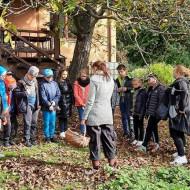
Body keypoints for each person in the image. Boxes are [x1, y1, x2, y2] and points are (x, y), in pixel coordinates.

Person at [81, 61, 116, 174]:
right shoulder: (110, 79)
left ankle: (95, 168)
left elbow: (90, 100)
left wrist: (84, 117)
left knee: (95, 142)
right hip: (107, 113)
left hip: (95, 114)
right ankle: (111, 165)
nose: (92, 70)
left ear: (96, 68)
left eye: (93, 68)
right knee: (108, 140)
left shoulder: (94, 79)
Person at [165, 65, 190, 164]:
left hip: (177, 111)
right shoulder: (181, 81)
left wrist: (181, 109)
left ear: (178, 73)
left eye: (174, 71)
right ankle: (181, 150)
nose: (173, 72)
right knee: (179, 131)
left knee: (174, 132)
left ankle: (181, 156)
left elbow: (184, 96)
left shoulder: (181, 82)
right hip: (176, 110)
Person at [136, 74, 165, 152]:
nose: (149, 82)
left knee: (148, 128)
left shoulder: (161, 89)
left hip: (155, 113)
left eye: (150, 80)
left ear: (155, 79)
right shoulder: (150, 88)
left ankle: (144, 145)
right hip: (149, 112)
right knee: (153, 128)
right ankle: (156, 143)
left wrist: (157, 113)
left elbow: (161, 102)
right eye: (148, 80)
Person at [14, 66, 40, 147]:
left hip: (35, 104)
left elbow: (37, 93)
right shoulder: (21, 82)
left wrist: (39, 104)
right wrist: (25, 93)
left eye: (34, 77)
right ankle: (27, 139)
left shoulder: (35, 81)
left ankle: (32, 138)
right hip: (27, 104)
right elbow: (16, 94)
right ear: (28, 74)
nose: (33, 78)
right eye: (31, 76)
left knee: (33, 122)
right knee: (27, 122)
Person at [39, 68, 61, 143]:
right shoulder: (42, 84)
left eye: (50, 77)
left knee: (53, 122)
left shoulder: (55, 83)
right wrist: (49, 105)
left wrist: (55, 101)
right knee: (47, 122)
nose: (49, 78)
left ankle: (52, 136)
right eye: (47, 77)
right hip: (46, 107)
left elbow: (58, 94)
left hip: (53, 106)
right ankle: (47, 136)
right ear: (44, 77)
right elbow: (43, 97)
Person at [116, 64, 133, 139]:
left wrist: (126, 89)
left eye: (121, 71)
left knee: (130, 116)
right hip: (121, 99)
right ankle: (125, 132)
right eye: (119, 72)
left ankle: (132, 132)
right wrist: (118, 89)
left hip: (129, 100)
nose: (120, 73)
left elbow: (134, 88)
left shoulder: (130, 78)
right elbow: (115, 87)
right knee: (123, 117)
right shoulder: (118, 79)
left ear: (125, 71)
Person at [57, 67, 74, 138]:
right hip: (61, 101)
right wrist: (57, 104)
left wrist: (72, 102)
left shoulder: (68, 82)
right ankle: (62, 131)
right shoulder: (57, 82)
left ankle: (65, 130)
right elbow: (57, 93)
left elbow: (71, 92)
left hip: (68, 102)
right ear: (60, 74)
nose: (64, 76)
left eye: (66, 74)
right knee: (61, 117)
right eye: (63, 74)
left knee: (66, 117)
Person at [3, 72, 17, 146]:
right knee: (7, 125)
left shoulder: (13, 84)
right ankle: (6, 140)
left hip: (13, 109)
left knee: (15, 125)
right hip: (6, 109)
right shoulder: (4, 88)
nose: (12, 88)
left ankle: (11, 138)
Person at [131, 78, 146, 146]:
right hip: (134, 111)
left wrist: (142, 114)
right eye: (133, 84)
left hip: (140, 112)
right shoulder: (134, 91)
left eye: (136, 84)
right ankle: (136, 138)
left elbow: (144, 104)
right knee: (135, 126)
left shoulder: (143, 92)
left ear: (140, 83)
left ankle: (141, 139)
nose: (134, 86)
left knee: (140, 126)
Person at [74, 69, 90, 133]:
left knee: (88, 117)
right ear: (79, 76)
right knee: (82, 117)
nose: (83, 78)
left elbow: (91, 93)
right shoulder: (76, 83)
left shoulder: (90, 82)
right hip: (80, 104)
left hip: (88, 103)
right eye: (82, 76)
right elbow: (76, 94)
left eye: (84, 76)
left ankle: (88, 130)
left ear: (87, 76)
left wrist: (87, 102)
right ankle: (83, 130)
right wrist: (81, 103)